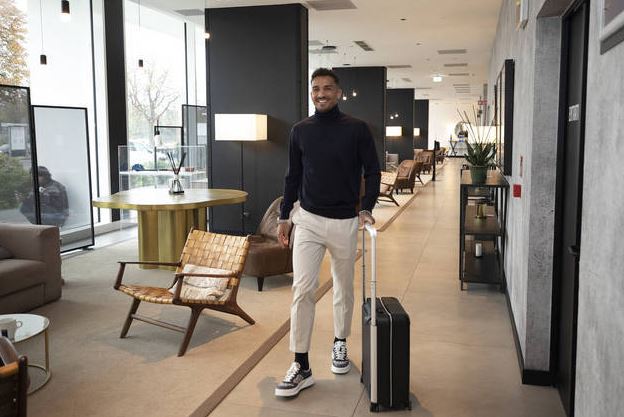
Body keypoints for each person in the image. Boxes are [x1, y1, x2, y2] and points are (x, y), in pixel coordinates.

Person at [274, 68, 381, 397]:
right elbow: (292, 176)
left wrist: (366, 207)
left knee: (343, 289)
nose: (321, 93)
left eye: (328, 88)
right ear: (311, 93)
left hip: (344, 222)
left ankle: (339, 342)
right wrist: (284, 216)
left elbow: (373, 171)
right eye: (316, 88)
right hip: (308, 220)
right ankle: (301, 364)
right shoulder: (300, 131)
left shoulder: (357, 129)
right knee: (302, 289)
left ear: (338, 93)